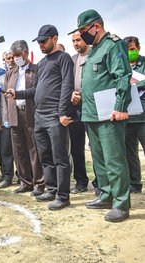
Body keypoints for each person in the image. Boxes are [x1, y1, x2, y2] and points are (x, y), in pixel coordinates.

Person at [69, 9, 132, 222]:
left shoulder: (113, 45)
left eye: (84, 30)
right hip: (91, 113)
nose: (82, 35)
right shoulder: (94, 50)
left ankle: (121, 203)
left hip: (109, 114)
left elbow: (122, 76)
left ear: (96, 26)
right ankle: (106, 195)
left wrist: (121, 106)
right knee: (99, 160)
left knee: (114, 160)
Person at [6, 25, 74, 210]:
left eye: (44, 41)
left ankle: (63, 195)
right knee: (45, 157)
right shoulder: (43, 64)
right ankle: (51, 190)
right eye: (39, 42)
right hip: (39, 117)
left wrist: (62, 112)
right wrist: (17, 94)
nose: (41, 45)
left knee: (60, 158)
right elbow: (35, 90)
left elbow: (67, 85)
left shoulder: (63, 58)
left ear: (55, 38)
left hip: (55, 115)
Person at [4, 40, 45, 195]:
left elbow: (37, 92)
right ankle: (25, 182)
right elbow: (6, 97)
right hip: (15, 115)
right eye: (13, 56)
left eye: (18, 55)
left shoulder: (36, 70)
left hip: (31, 114)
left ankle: (39, 183)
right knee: (19, 150)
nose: (16, 59)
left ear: (26, 52)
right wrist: (7, 116)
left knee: (34, 149)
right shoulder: (11, 72)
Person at [69, 31, 91, 194]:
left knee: (97, 148)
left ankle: (100, 183)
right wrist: (72, 94)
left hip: (92, 107)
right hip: (75, 109)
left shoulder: (95, 56)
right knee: (77, 147)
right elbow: (66, 82)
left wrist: (83, 95)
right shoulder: (71, 60)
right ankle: (81, 181)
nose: (76, 43)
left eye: (79, 40)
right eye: (74, 41)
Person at [123, 36, 145, 194]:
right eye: (127, 50)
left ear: (139, 48)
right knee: (131, 153)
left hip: (143, 116)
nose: (130, 53)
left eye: (132, 49)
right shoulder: (122, 65)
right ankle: (135, 183)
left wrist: (135, 84)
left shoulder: (143, 63)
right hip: (129, 116)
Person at [0, 50, 15, 188]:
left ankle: (23, 176)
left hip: (20, 120)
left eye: (13, 58)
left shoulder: (22, 77)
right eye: (8, 58)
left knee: (21, 151)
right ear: (4, 61)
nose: (11, 60)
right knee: (5, 150)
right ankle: (7, 176)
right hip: (5, 121)